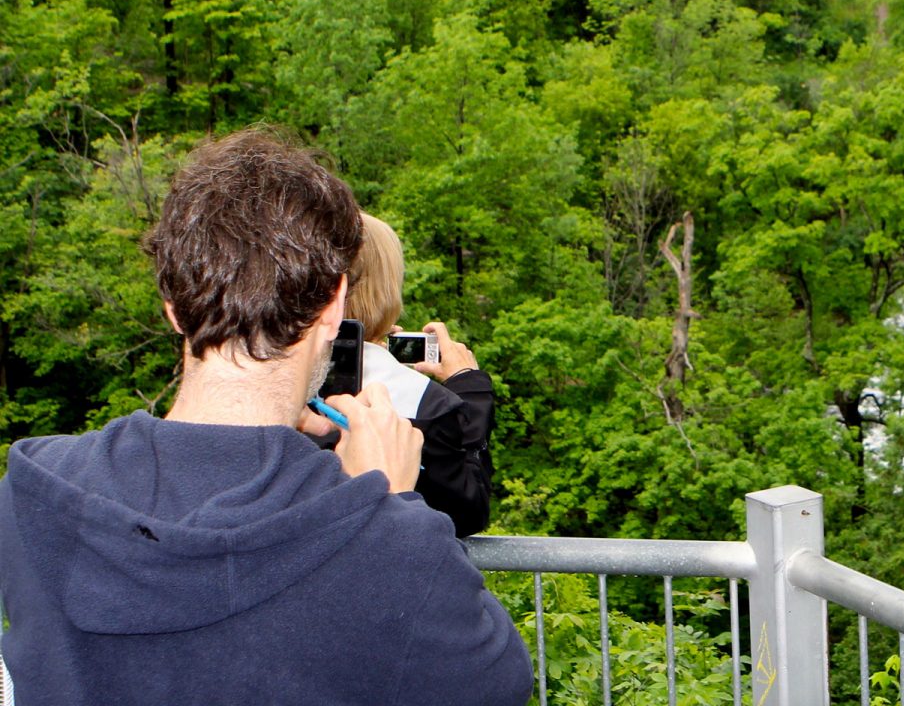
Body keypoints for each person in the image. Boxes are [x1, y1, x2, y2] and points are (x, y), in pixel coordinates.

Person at [0, 129, 533, 706]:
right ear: (334, 307)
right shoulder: (379, 544)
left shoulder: (32, 495)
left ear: (172, 307)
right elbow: (494, 681)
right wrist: (391, 506)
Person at [346, 212, 497, 536]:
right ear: (384, 290)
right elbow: (467, 510)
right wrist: (470, 389)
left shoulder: (276, 374)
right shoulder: (422, 402)